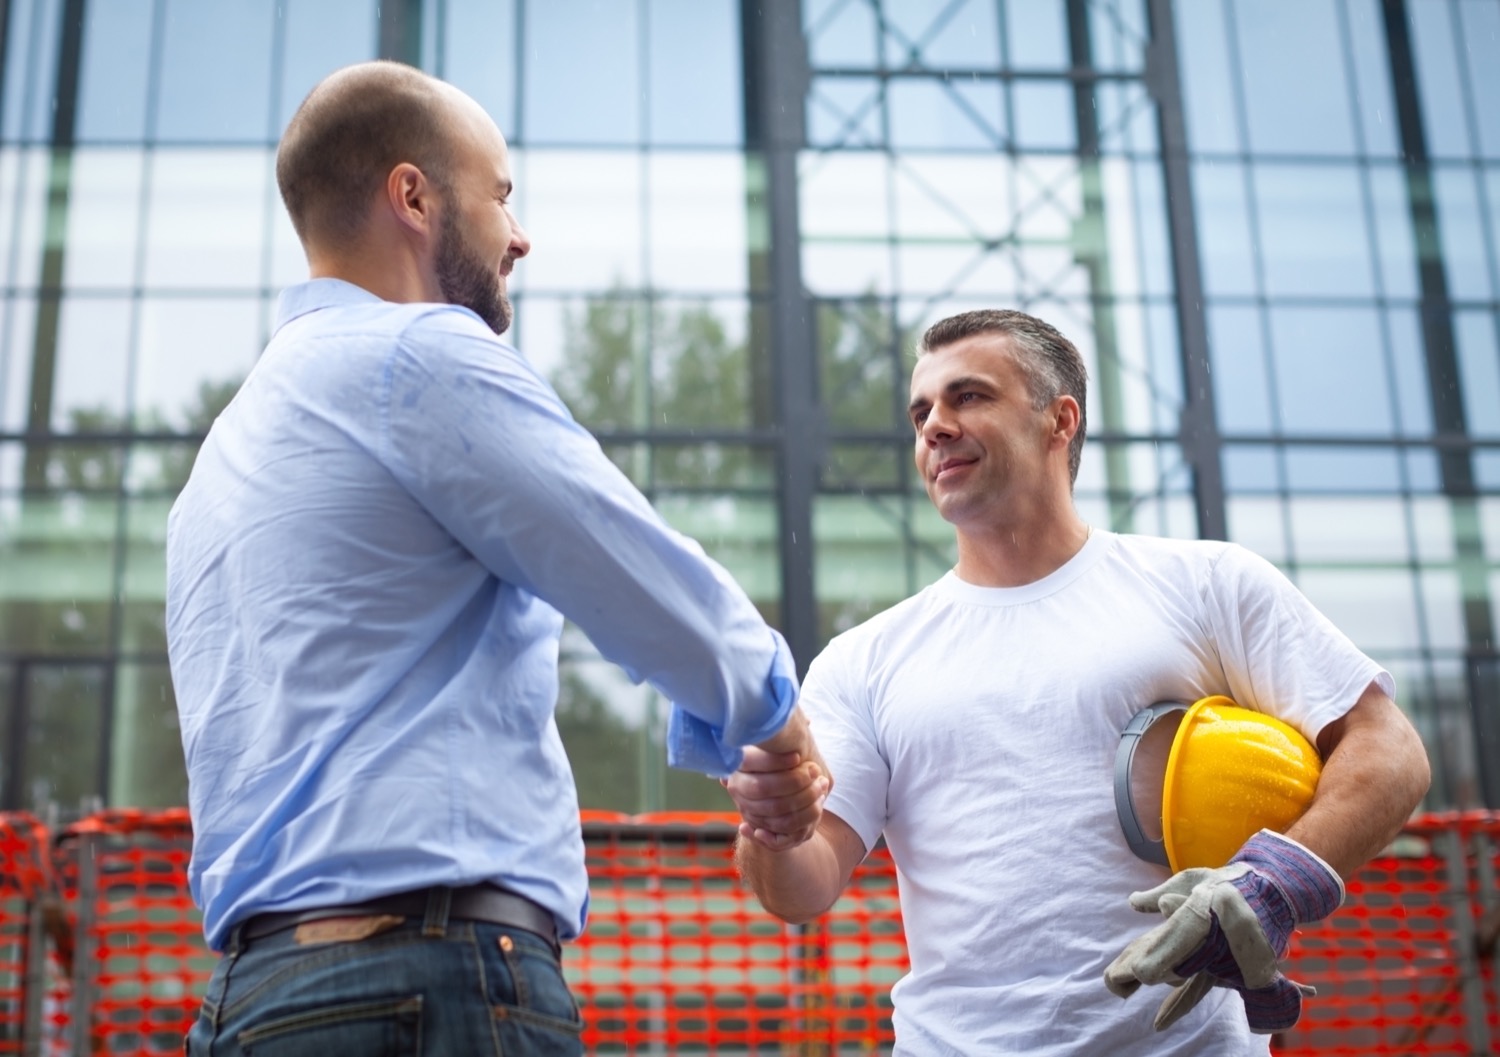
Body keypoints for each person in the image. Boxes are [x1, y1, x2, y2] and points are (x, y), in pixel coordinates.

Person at [166, 60, 828, 1056]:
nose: (521, 236)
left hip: (251, 1003)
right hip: (428, 984)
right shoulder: (414, 358)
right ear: (415, 197)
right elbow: (635, 575)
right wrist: (778, 729)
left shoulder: (226, 453)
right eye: (502, 195)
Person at [725, 308, 1431, 1055]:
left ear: (1059, 420)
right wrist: (775, 824)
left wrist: (1274, 883)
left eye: (968, 396)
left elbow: (1391, 751)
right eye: (921, 410)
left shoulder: (1205, 584)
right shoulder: (863, 658)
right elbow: (804, 887)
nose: (933, 425)